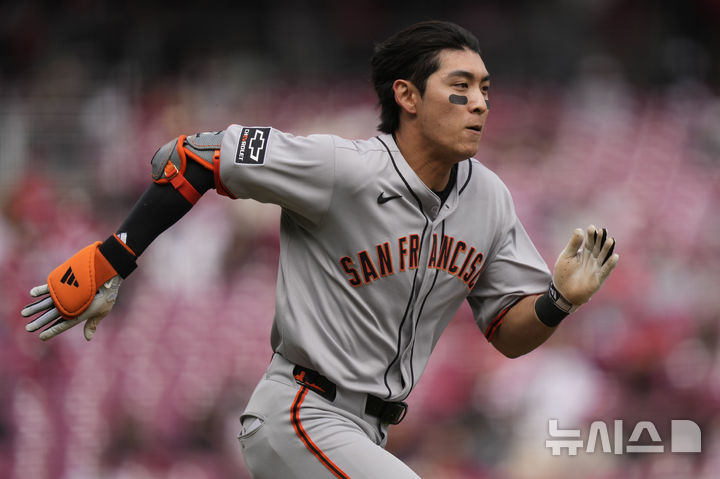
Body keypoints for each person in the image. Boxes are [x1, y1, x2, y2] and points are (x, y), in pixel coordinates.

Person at [21, 20, 618, 478]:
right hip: (301, 414)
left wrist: (559, 301)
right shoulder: (341, 168)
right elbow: (191, 157)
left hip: (369, 434)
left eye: (485, 88)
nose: (481, 102)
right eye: (459, 88)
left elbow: (507, 333)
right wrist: (113, 259)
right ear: (407, 96)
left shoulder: (489, 199)